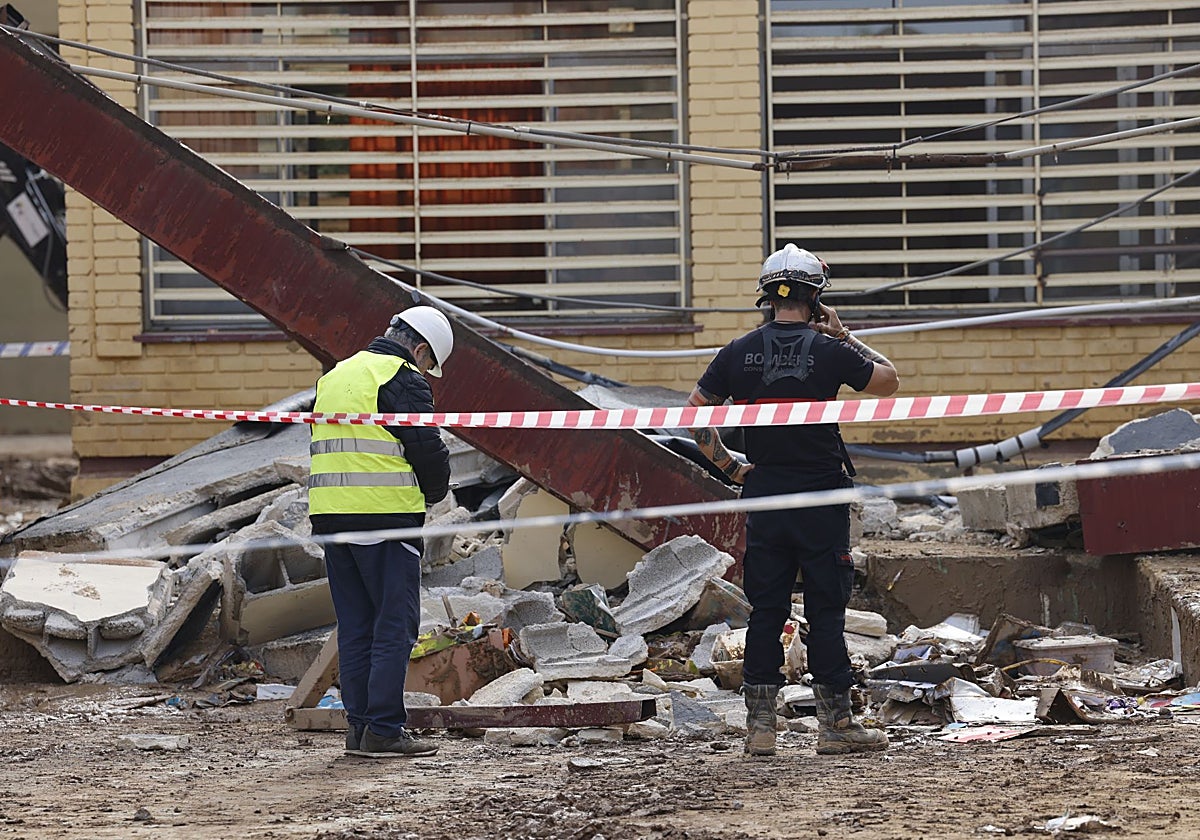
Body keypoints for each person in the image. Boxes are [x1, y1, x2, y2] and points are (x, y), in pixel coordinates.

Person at [687, 244, 899, 757]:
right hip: (820, 497)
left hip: (765, 495)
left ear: (767, 297)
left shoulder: (737, 352)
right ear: (816, 298)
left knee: (766, 609)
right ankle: (836, 726)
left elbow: (696, 415)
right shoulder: (830, 350)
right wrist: (843, 334)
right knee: (826, 610)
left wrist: (731, 467)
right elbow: (889, 381)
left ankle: (761, 729)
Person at [307, 305, 455, 759]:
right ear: (421, 349)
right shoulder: (402, 378)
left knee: (356, 626)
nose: (426, 372)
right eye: (429, 364)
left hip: (332, 519)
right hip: (385, 519)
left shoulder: (336, 375)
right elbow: (426, 450)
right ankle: (386, 731)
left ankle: (360, 729)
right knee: (394, 626)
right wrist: (435, 492)